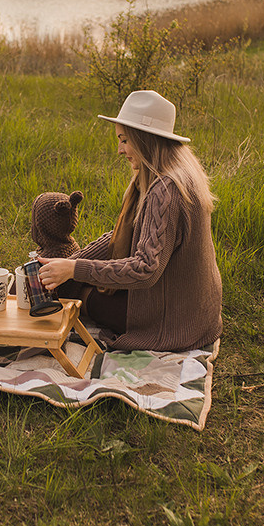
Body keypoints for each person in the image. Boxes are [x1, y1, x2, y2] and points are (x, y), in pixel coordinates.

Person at [37, 90, 223, 352]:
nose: (119, 149)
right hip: (194, 309)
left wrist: (74, 270)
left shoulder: (165, 190)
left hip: (174, 321)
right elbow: (127, 235)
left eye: (124, 140)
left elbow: (145, 269)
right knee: (74, 278)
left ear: (145, 139)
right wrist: (71, 263)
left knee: (74, 294)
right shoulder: (176, 171)